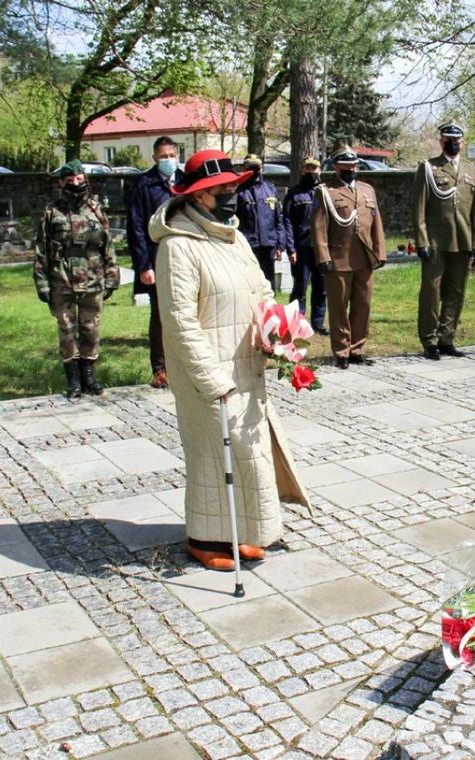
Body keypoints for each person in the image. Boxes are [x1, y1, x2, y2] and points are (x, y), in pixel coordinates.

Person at [149, 149, 310, 571]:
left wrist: (277, 331)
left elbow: (260, 291)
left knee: (247, 454)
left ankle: (242, 532)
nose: (232, 194)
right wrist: (211, 378)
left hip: (245, 365)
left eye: (234, 187)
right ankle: (205, 538)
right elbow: (179, 320)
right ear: (199, 195)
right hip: (209, 371)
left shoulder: (233, 237)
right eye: (222, 189)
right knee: (211, 456)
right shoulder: (178, 246)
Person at [34, 159, 118, 398]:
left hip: (93, 278)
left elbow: (108, 246)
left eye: (80, 179)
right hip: (62, 279)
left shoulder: (96, 209)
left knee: (90, 328)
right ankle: (73, 380)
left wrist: (112, 277)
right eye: (70, 180)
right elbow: (41, 249)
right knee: (67, 329)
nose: (76, 183)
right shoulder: (52, 212)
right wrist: (41, 283)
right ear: (61, 182)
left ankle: (89, 376)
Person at [411, 121, 475, 360]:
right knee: (431, 292)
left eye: (458, 140)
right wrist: (421, 240)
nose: (453, 143)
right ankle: (429, 339)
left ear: (463, 142)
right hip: (435, 241)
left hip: (462, 240)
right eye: (448, 140)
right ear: (441, 142)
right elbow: (418, 207)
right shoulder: (428, 168)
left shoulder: (471, 169)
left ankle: (447, 337)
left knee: (456, 291)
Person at [311, 145, 387, 370]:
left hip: (364, 258)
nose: (350, 169)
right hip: (338, 258)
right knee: (339, 307)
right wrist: (323, 256)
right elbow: (318, 226)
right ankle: (342, 351)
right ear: (336, 167)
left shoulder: (367, 190)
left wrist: (380, 252)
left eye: (353, 165)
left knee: (363, 305)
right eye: (345, 166)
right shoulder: (325, 191)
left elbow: (376, 223)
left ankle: (357, 349)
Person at [127, 136, 183, 389]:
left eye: (172, 155)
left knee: (185, 312)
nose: (168, 160)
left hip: (184, 257)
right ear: (154, 158)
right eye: (163, 156)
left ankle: (183, 365)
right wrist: (143, 266)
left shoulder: (185, 182)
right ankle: (160, 369)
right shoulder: (143, 185)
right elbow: (136, 228)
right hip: (156, 257)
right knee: (160, 315)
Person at [284, 156, 329, 335]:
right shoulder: (294, 194)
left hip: (322, 248)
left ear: (320, 170)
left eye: (314, 168)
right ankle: (297, 322)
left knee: (321, 288)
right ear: (302, 170)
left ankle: (318, 323)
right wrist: (291, 248)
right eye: (308, 168)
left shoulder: (326, 193)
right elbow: (286, 222)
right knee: (300, 288)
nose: (311, 172)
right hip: (301, 248)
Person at [235, 153, 290, 285]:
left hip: (269, 244)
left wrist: (280, 244)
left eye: (256, 168)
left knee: (268, 283)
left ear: (262, 168)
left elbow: (279, 217)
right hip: (247, 245)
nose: (254, 171)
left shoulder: (270, 189)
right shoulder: (238, 191)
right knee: (249, 282)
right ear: (244, 169)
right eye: (250, 168)